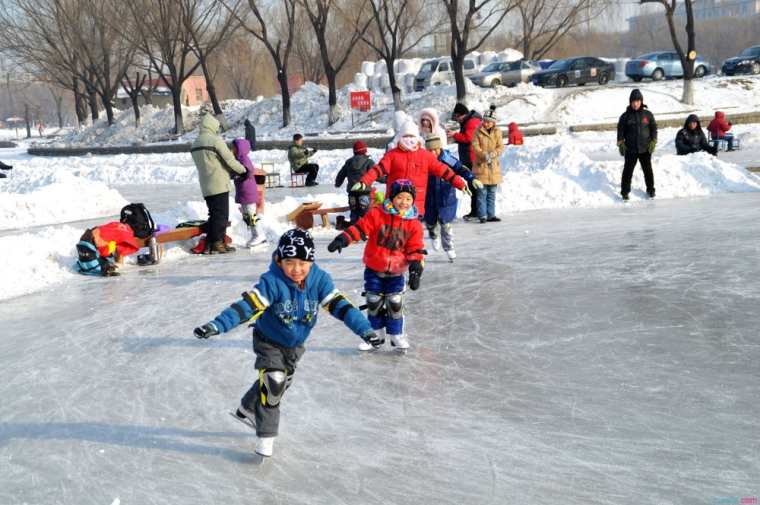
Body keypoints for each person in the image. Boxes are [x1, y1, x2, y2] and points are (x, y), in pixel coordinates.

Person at [193, 229, 381, 457]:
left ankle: (247, 408)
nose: (296, 269)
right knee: (274, 383)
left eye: (303, 262)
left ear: (311, 261)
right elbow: (246, 307)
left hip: (295, 346)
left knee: (281, 382)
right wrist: (216, 325)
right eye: (290, 262)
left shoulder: (320, 280)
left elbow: (343, 308)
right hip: (268, 341)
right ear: (279, 260)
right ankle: (266, 438)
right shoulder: (272, 282)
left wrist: (366, 330)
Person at [327, 179, 425, 352]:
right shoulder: (377, 214)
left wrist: (416, 268)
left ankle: (396, 335)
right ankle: (376, 335)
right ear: (392, 197)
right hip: (374, 268)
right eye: (400, 197)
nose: (404, 202)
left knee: (395, 302)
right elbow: (360, 229)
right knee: (374, 301)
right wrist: (344, 238)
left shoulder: (414, 224)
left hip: (396, 271)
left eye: (408, 199)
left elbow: (415, 248)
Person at [351, 121, 470, 218]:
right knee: (394, 239)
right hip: (394, 205)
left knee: (411, 238)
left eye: (412, 136)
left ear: (417, 138)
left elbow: (444, 171)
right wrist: (364, 181)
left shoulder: (425, 156)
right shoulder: (392, 155)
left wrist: (460, 183)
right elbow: (378, 169)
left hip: (414, 206)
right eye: (406, 136)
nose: (409, 139)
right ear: (400, 137)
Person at [191, 113, 247, 254]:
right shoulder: (215, 141)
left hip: (206, 184)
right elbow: (229, 159)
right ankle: (217, 243)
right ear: (212, 126)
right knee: (221, 216)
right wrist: (243, 171)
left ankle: (214, 242)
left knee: (215, 214)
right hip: (219, 183)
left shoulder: (196, 143)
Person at [423, 133, 482, 261]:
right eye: (430, 150)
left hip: (446, 196)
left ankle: (449, 247)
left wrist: (471, 179)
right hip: (429, 197)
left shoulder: (447, 158)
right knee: (431, 222)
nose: (433, 152)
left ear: (440, 147)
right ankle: (433, 235)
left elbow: (461, 169)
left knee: (446, 224)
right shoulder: (423, 160)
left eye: (435, 149)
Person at [617, 89, 657, 200]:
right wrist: (620, 143)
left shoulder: (648, 115)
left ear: (641, 102)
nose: (636, 104)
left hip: (645, 148)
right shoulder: (625, 116)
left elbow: (653, 128)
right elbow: (620, 131)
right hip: (631, 149)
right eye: (634, 101)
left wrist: (653, 141)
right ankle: (625, 192)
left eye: (638, 101)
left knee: (648, 171)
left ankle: (650, 190)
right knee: (627, 172)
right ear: (630, 102)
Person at [447, 102, 482, 219]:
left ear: (462, 115)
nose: (457, 120)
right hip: (469, 157)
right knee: (472, 185)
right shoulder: (468, 121)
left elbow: (468, 138)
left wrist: (455, 135)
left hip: (472, 158)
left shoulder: (472, 122)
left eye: (457, 117)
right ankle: (476, 211)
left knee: (473, 185)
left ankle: (477, 211)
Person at [471, 105, 504, 223]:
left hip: (493, 167)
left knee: (492, 193)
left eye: (489, 122)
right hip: (481, 166)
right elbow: (475, 146)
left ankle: (491, 214)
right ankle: (482, 215)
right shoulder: (477, 131)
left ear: (493, 123)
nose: (486, 124)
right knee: (481, 193)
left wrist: (494, 153)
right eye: (485, 121)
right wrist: (484, 155)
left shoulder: (497, 132)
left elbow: (501, 146)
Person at [230, 138, 266, 247]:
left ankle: (260, 235)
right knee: (246, 216)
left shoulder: (244, 159)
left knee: (251, 215)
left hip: (248, 192)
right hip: (243, 192)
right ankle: (255, 235)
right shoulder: (238, 160)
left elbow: (249, 171)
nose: (231, 150)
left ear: (240, 149)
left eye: (233, 148)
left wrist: (238, 175)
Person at [335, 140, 375, 224]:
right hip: (364, 192)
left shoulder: (349, 162)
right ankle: (365, 227)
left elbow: (341, 174)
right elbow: (376, 174)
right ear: (365, 150)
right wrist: (386, 179)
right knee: (365, 212)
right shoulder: (369, 162)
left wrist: (338, 183)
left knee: (354, 211)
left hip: (352, 192)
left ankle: (353, 226)